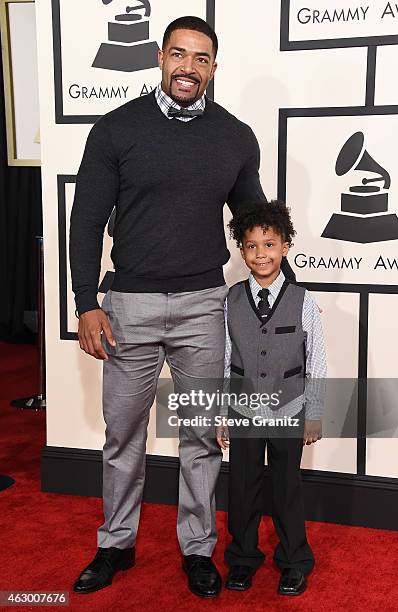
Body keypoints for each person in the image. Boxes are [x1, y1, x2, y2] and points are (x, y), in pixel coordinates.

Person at [69, 16, 295, 598]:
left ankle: (198, 550)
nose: (187, 66)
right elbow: (87, 220)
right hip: (128, 307)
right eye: (178, 54)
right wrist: (86, 302)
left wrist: (286, 290)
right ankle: (115, 544)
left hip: (203, 307)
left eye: (201, 58)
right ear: (160, 58)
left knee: (199, 435)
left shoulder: (236, 137)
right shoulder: (116, 129)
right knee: (123, 435)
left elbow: (252, 224)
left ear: (214, 67)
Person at [216, 201, 326, 596]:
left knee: (286, 487)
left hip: (290, 410)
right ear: (241, 251)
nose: (261, 254)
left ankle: (294, 560)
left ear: (285, 246)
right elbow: (226, 360)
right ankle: (243, 559)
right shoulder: (231, 300)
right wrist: (221, 414)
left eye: (269, 244)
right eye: (251, 246)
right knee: (242, 487)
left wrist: (314, 412)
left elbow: (317, 358)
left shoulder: (303, 300)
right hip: (243, 410)